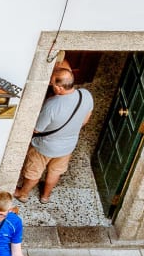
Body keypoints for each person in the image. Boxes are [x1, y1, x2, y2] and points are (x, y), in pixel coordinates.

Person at [14, 67, 94, 204]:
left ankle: (23, 194)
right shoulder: (85, 95)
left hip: (45, 146)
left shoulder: (52, 104)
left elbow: (37, 129)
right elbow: (85, 120)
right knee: (55, 171)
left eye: (52, 83)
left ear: (59, 87)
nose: (51, 86)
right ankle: (45, 196)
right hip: (68, 146)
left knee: (34, 171)